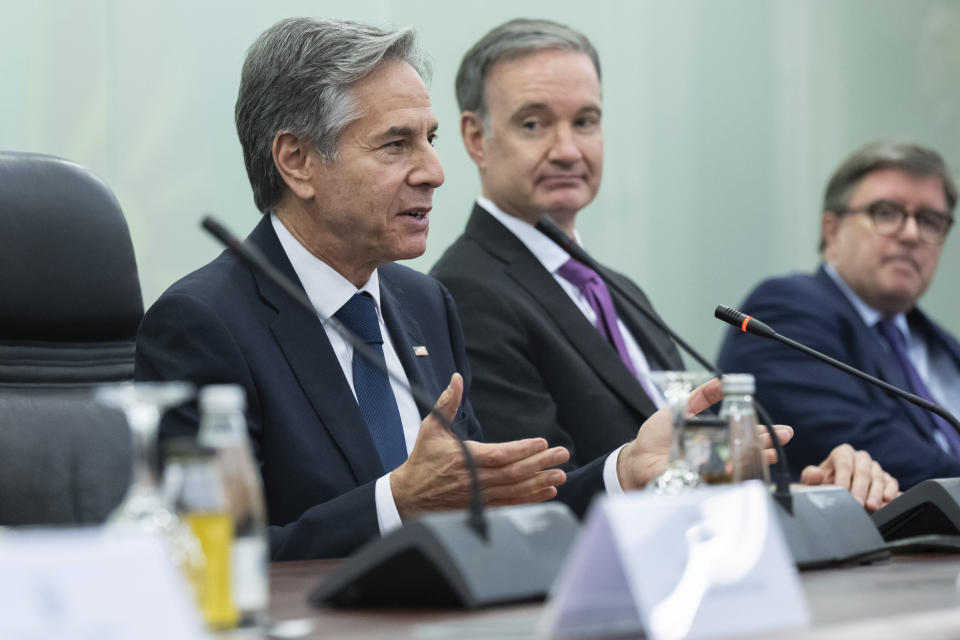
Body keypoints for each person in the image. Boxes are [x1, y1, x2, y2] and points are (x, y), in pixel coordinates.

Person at [136, 17, 780, 561]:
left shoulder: (422, 305)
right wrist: (396, 503)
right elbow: (202, 558)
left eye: (431, 139)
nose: (436, 172)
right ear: (297, 161)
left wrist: (626, 471)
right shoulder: (203, 322)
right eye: (396, 145)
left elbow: (499, 508)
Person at [431, 18, 899, 508]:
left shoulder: (618, 289)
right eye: (534, 124)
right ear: (476, 137)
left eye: (585, 121)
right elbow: (534, 497)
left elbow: (691, 466)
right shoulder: (465, 291)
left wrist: (808, 490)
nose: (568, 149)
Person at [718, 140, 960, 490]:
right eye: (887, 213)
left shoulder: (940, 345)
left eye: (929, 220)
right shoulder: (785, 311)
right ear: (831, 230)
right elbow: (871, 449)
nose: (911, 235)